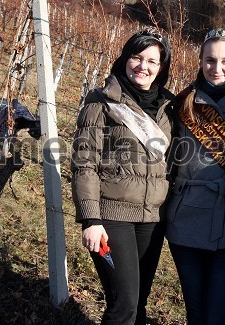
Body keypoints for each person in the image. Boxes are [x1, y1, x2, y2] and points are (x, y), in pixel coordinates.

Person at [71, 28, 174, 325]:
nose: (144, 66)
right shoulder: (102, 101)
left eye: (153, 61)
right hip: (111, 217)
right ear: (125, 59)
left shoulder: (169, 107)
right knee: (123, 306)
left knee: (138, 305)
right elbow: (84, 163)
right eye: (137, 57)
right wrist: (91, 220)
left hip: (151, 220)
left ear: (162, 67)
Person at [165, 28, 225, 325]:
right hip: (186, 219)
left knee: (219, 316)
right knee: (195, 312)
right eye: (209, 60)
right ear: (200, 60)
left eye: (224, 61)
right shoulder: (182, 102)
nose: (216, 68)